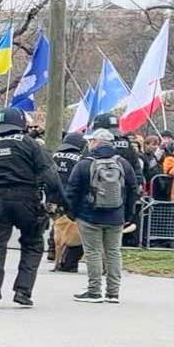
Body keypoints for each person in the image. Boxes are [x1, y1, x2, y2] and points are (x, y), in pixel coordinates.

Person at [0, 107, 62, 309]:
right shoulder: (31, 144)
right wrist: (57, 200)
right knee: (33, 244)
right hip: (26, 200)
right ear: (21, 123)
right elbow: (50, 174)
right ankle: (23, 291)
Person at [67, 127, 140, 304]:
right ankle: (113, 293)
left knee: (93, 252)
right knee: (114, 252)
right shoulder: (123, 163)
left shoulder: (84, 164)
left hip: (89, 215)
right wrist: (128, 214)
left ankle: (94, 291)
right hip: (116, 215)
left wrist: (73, 213)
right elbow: (133, 188)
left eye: (90, 141)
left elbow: (72, 190)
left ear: (96, 143)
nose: (89, 144)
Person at [49, 131, 87, 271]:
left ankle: (53, 249)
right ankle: (69, 262)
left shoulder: (54, 156)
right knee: (74, 230)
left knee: (57, 227)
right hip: (72, 198)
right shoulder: (79, 158)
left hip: (55, 196)